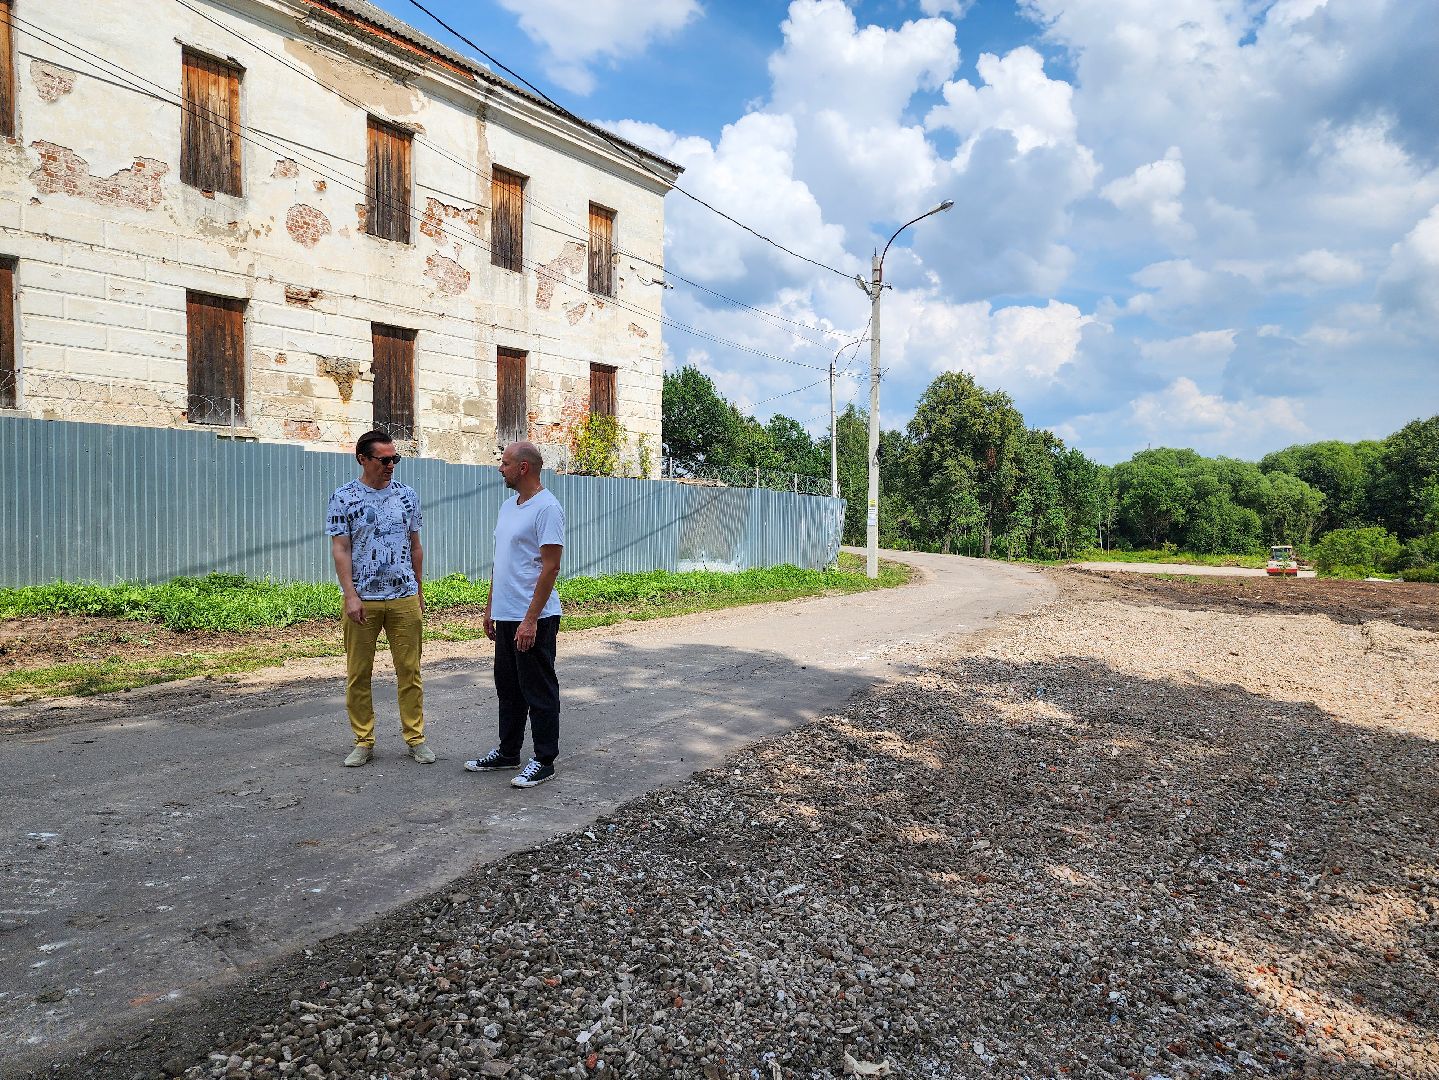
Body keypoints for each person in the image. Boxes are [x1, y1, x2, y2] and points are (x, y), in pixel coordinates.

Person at [327, 430, 433, 767]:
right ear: (363, 458)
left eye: (394, 459)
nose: (391, 465)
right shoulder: (343, 498)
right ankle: (363, 741)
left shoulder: (407, 496)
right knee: (359, 674)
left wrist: (418, 589)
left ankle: (415, 739)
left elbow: (415, 546)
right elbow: (340, 549)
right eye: (384, 459)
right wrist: (350, 595)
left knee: (410, 672)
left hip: (404, 597)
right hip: (363, 600)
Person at [465, 440, 565, 788]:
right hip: (507, 615)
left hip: (534, 617)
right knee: (508, 688)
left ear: (524, 467)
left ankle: (544, 759)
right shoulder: (509, 506)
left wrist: (530, 619)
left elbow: (550, 568)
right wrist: (491, 606)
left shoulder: (547, 508)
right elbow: (502, 561)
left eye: (505, 463)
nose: (500, 468)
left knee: (537, 689)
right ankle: (508, 753)